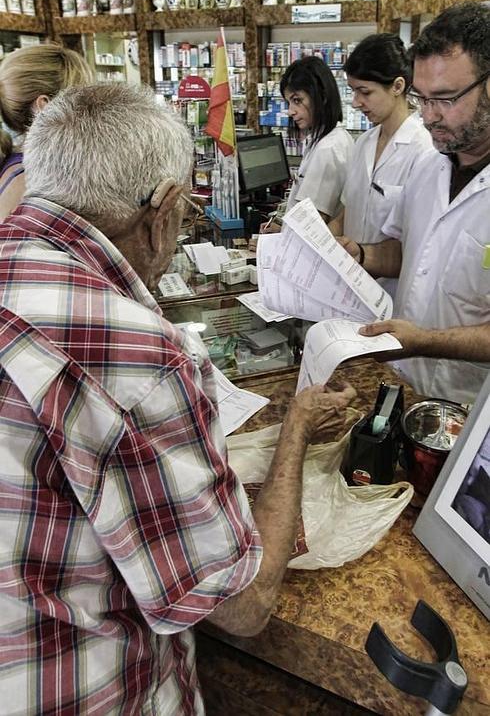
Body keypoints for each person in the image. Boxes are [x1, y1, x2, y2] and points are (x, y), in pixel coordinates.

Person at [0, 83, 356, 715]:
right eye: (186, 213)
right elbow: (239, 606)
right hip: (89, 690)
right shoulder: (136, 352)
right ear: (162, 208)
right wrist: (297, 426)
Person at [339, 2, 490, 404]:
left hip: (469, 403)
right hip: (405, 383)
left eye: (444, 98)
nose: (427, 117)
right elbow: (405, 252)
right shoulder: (429, 166)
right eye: (422, 99)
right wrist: (359, 254)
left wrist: (424, 341)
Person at [328, 33, 433, 245]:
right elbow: (350, 211)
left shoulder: (423, 150)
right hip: (349, 273)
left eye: (364, 92)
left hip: (390, 278)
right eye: (353, 91)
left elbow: (418, 240)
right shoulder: (364, 143)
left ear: (397, 86)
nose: (356, 103)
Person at [0, 43, 92, 220]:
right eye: (81, 98)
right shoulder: (37, 181)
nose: (90, 109)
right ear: (44, 107)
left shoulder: (22, 164)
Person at [280, 55, 354, 222]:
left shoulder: (328, 148)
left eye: (297, 100)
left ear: (322, 96)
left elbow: (311, 225)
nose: (290, 111)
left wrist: (268, 244)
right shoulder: (334, 137)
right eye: (288, 103)